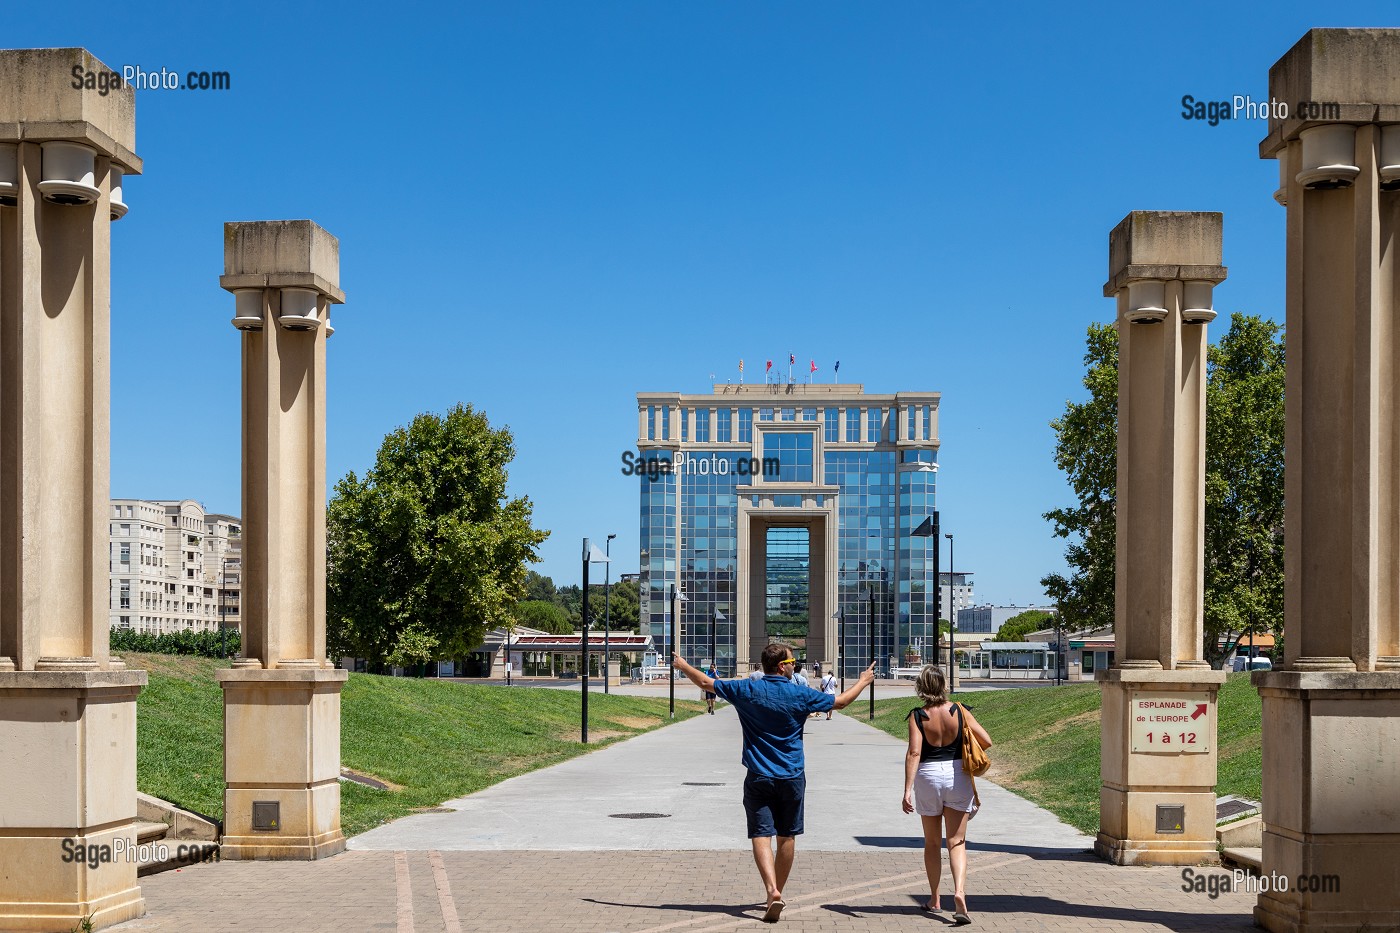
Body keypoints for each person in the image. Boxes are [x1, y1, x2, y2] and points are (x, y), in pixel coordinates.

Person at [675, 645, 875, 923]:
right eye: (793, 661)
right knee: (787, 836)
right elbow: (839, 703)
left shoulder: (748, 689)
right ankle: (776, 892)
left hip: (758, 775)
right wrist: (863, 681)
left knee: (760, 834)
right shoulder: (799, 693)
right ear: (782, 666)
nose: (796, 665)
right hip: (792, 776)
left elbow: (707, 682)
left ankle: (772, 891)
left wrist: (683, 665)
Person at [901, 665, 991, 925]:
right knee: (957, 842)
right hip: (957, 775)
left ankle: (934, 899)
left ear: (921, 687)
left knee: (932, 843)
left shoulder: (917, 716)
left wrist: (907, 790)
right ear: (943, 685)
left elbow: (914, 753)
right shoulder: (960, 710)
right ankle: (960, 894)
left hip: (928, 776)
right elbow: (985, 740)